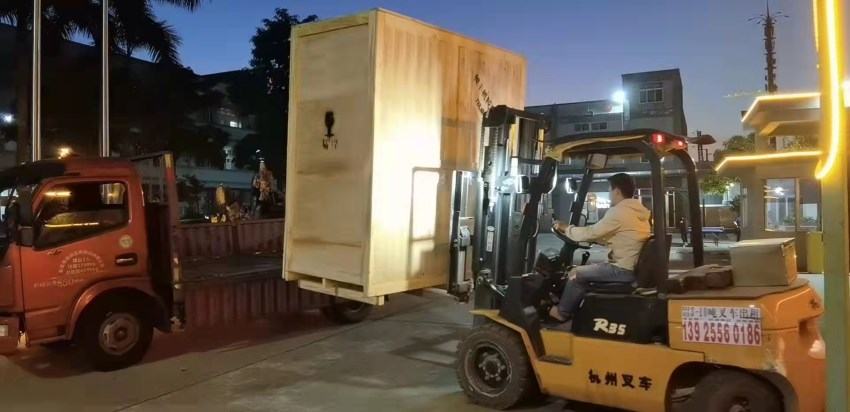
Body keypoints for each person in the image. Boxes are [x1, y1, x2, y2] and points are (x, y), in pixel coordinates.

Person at [548, 173, 651, 323]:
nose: (609, 193)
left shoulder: (619, 211)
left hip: (621, 270)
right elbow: (618, 236)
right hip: (629, 267)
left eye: (609, 189)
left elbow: (591, 232)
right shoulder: (637, 211)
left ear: (617, 190)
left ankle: (561, 312)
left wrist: (566, 228)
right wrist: (596, 240)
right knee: (585, 271)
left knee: (575, 274)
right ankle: (576, 311)